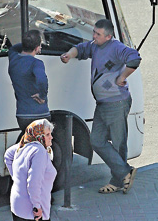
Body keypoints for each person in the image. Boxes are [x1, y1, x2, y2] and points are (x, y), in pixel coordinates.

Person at [60, 18, 140, 194]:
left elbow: (134, 58)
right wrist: (69, 55)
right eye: (94, 32)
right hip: (103, 103)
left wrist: (122, 77)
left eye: (98, 34)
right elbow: (81, 49)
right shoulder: (95, 46)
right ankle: (124, 173)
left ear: (109, 36)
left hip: (116, 102)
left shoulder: (116, 47)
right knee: (96, 140)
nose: (94, 36)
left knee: (119, 143)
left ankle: (118, 179)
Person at [8, 30, 50, 134]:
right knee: (41, 147)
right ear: (36, 48)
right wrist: (42, 96)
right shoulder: (37, 63)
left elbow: (15, 47)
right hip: (39, 114)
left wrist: (29, 43)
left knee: (28, 144)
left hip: (22, 115)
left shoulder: (13, 58)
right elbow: (42, 79)